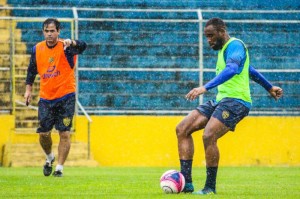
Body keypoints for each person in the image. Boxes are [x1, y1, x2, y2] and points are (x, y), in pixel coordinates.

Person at [176, 18, 283, 194]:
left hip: (237, 101)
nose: (208, 40)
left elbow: (232, 69)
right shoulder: (225, 50)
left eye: (211, 36)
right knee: (182, 128)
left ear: (222, 31)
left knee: (208, 135)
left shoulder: (235, 46)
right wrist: (269, 87)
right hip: (221, 100)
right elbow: (250, 70)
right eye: (206, 37)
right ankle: (186, 183)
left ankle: (210, 187)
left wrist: (205, 87)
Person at [24, 18, 87, 177]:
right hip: (46, 98)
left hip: (66, 96)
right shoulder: (37, 49)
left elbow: (83, 46)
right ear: (43, 32)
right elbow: (31, 71)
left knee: (64, 132)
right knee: (44, 134)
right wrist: (28, 90)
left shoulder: (66, 47)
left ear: (58, 32)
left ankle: (59, 168)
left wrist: (72, 42)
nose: (50, 34)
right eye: (47, 31)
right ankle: (49, 157)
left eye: (53, 31)